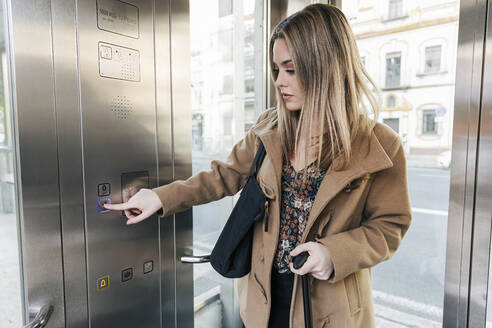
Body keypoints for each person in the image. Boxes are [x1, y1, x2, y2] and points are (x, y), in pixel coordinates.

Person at [105, 4, 411, 328]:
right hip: (263, 298)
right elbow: (224, 174)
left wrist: (334, 253)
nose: (279, 81)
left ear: (326, 67)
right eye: (276, 69)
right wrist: (160, 197)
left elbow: (390, 226)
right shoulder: (271, 126)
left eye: (291, 70)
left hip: (327, 308)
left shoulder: (380, 145)